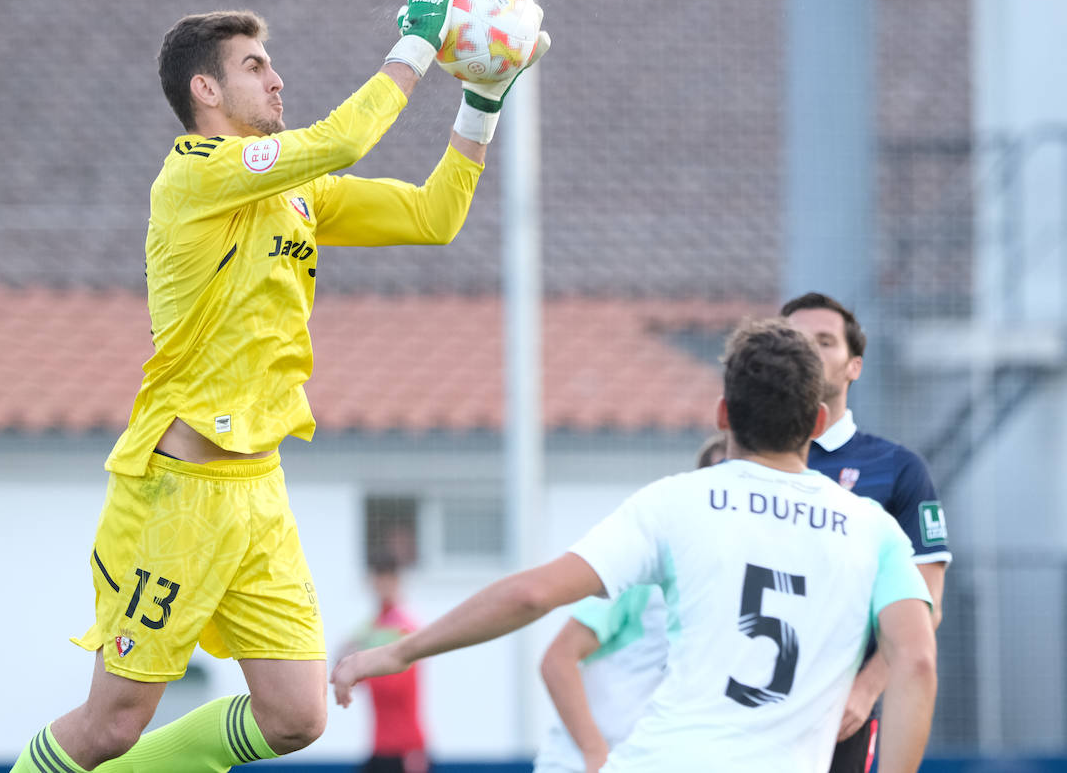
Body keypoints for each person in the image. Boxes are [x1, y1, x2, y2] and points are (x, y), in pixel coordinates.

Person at [9, 0, 550, 773]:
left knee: (298, 717)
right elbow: (343, 138)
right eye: (256, 66)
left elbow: (434, 216)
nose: (277, 80)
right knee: (111, 723)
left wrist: (482, 97)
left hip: (258, 490)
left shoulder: (291, 191)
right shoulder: (193, 178)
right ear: (206, 91)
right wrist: (416, 39)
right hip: (177, 494)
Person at [333, 319, 938, 773]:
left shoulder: (676, 502)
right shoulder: (871, 528)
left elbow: (531, 594)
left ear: (723, 413)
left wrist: (400, 652)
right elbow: (916, 662)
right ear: (818, 423)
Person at [780, 292, 952, 773]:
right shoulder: (745, 465)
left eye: (824, 342)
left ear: (854, 366)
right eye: (794, 341)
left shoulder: (897, 469)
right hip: (749, 707)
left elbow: (928, 601)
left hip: (841, 716)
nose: (808, 352)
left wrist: (866, 688)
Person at [532, 434, 728, 773]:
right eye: (719, 473)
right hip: (580, 764)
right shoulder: (651, 575)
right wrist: (596, 753)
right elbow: (557, 660)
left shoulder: (732, 587)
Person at [340, 553, 429, 773]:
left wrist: (358, 668)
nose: (382, 586)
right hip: (380, 746)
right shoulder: (372, 627)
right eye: (378, 580)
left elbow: (394, 685)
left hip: (405, 747)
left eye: (388, 580)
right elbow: (343, 663)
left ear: (398, 582)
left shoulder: (404, 627)